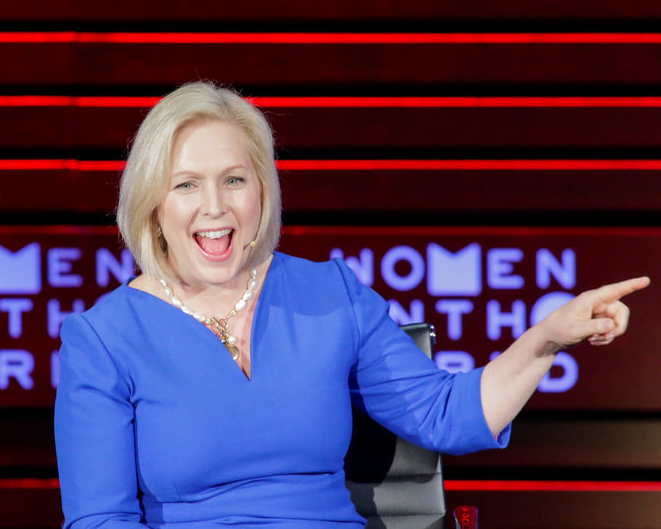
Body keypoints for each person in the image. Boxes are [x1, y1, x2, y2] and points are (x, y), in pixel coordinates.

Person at [54, 81, 649, 528]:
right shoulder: (103, 338)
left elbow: (446, 415)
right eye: (186, 185)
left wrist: (547, 337)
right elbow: (97, 520)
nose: (215, 206)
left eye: (234, 179)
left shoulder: (330, 295)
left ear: (263, 190)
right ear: (154, 203)